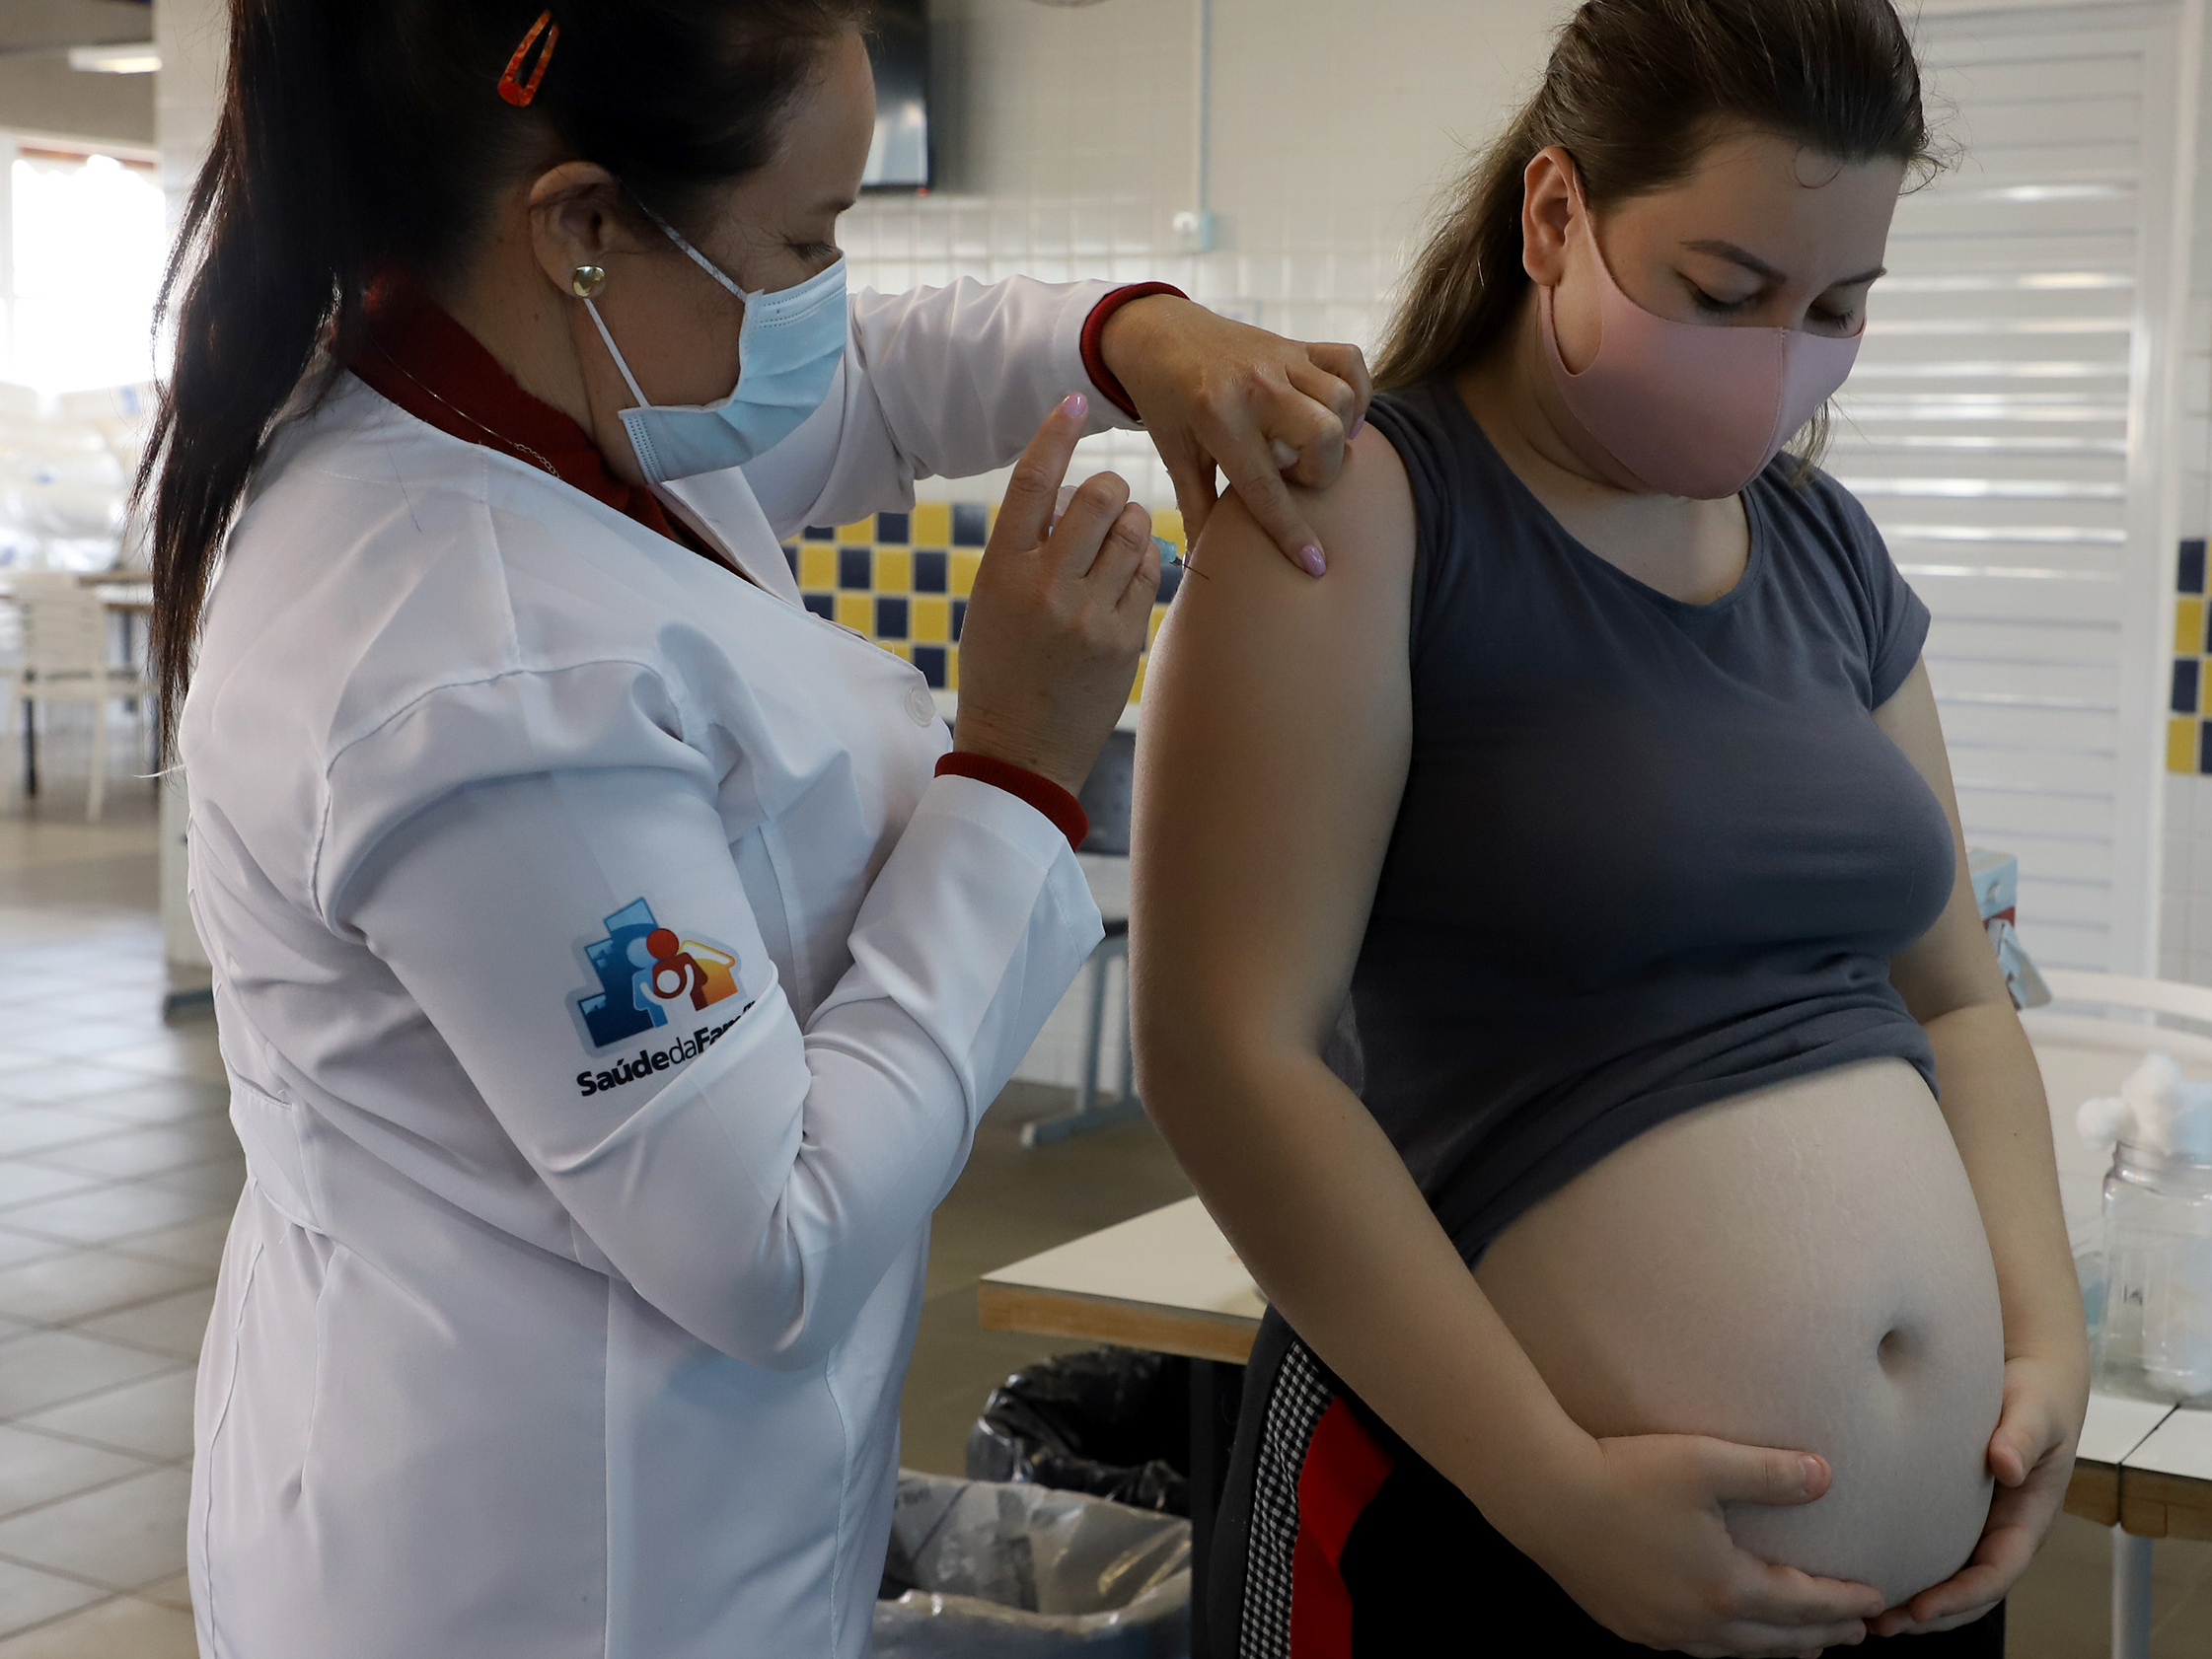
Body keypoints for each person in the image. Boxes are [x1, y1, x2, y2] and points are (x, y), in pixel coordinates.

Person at [146, 3, 1371, 1654]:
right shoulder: (482, 678)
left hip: (648, 1501)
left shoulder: (543, 393)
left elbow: (859, 384)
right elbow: (767, 1246)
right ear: (581, 225)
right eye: (805, 238)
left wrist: (1124, 337)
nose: (828, 293)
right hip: (545, 1574)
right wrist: (1013, 766)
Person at [1130, 2, 2088, 1655]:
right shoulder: (1363, 511)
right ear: (1555, 215)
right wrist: (1551, 1494)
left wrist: (2039, 1338)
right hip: (1494, 1533)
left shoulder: (1821, 551)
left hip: (1907, 1592)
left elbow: (1956, 994)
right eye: (1724, 292)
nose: (1785, 354)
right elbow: (1229, 1050)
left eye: (1838, 306)